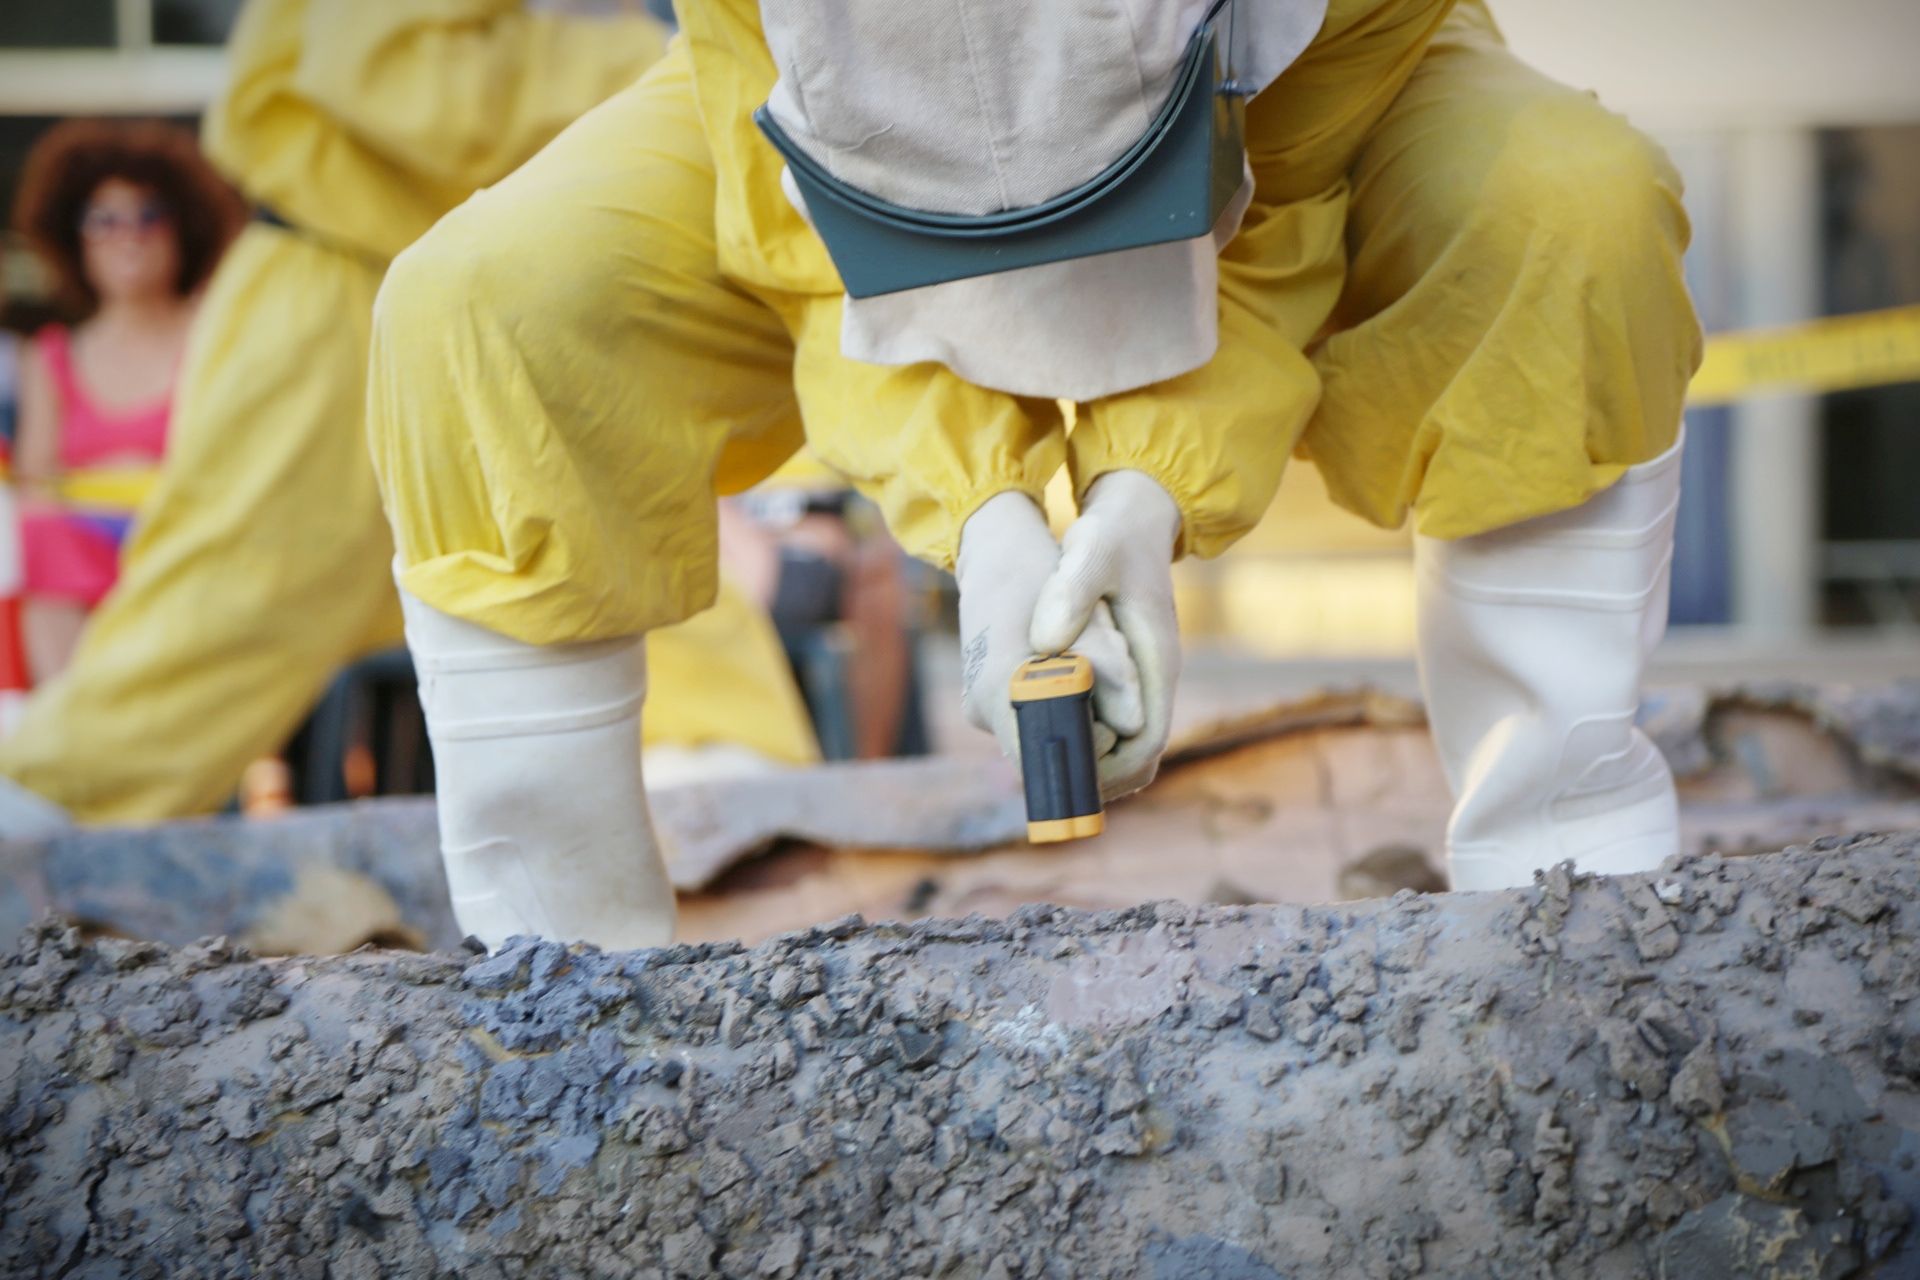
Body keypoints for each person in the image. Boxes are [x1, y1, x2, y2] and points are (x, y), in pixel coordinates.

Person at [368, 0, 1701, 950]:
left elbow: (1283, 206)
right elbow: (801, 245)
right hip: (811, 140)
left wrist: (1144, 496)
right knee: (485, 303)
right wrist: (986, 522)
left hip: (1293, 109)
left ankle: (1561, 888)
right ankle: (560, 969)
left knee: (1565, 205)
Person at [0, 0, 817, 830]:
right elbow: (396, 79)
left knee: (623, 555)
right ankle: (35, 822)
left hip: (480, 287)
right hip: (344, 292)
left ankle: (724, 821)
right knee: (215, 621)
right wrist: (670, 70)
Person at [9, 119, 243, 681]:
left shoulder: (220, 335)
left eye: (149, 214)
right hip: (84, 577)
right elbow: (35, 485)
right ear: (75, 237)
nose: (127, 233)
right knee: (39, 535)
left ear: (182, 227)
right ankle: (68, 739)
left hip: (188, 557)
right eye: (103, 219)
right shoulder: (51, 356)